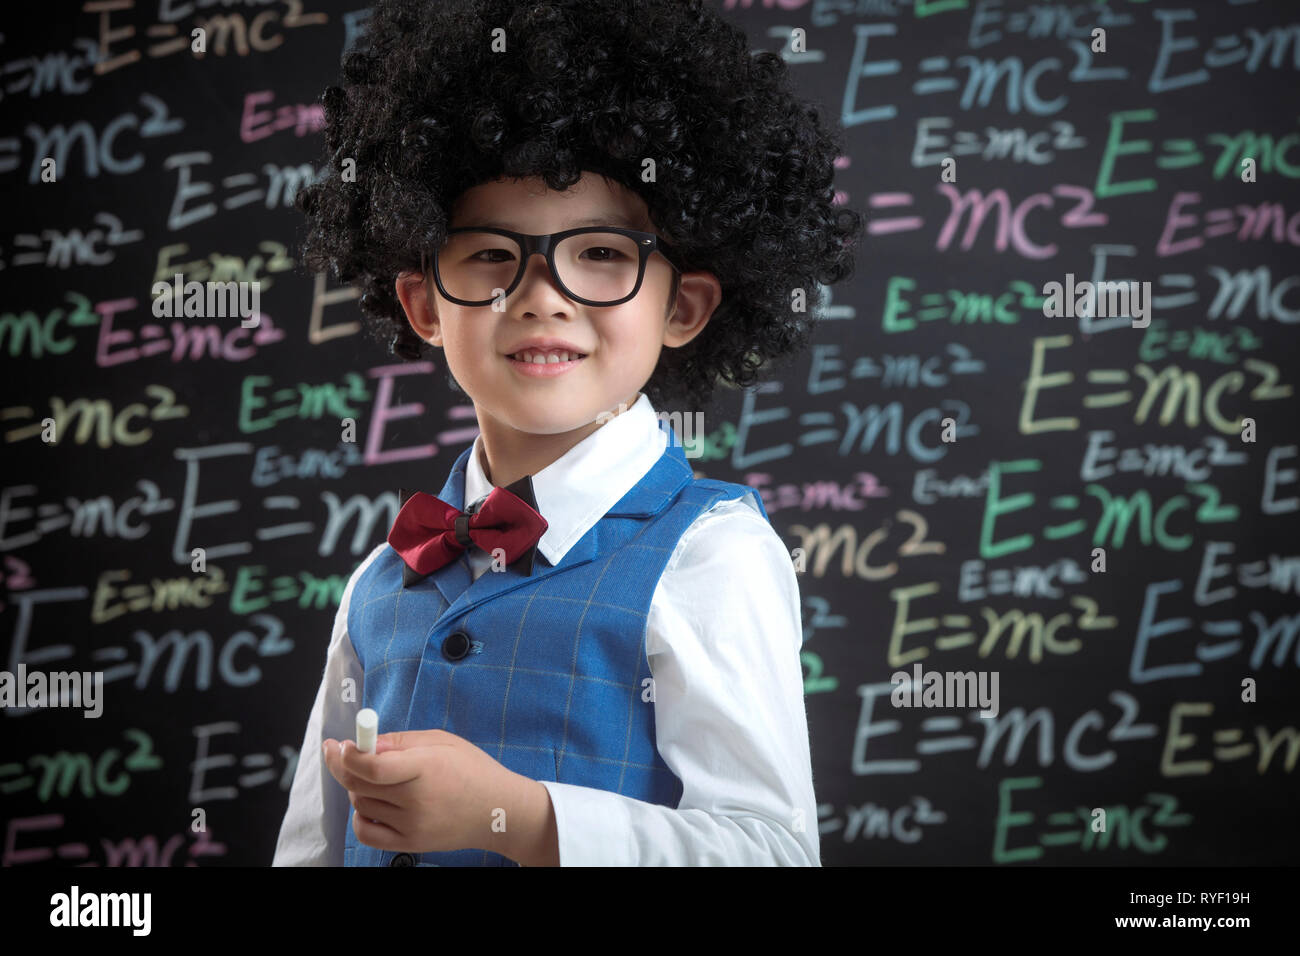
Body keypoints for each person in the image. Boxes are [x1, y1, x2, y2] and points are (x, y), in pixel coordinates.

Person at [273, 0, 862, 866]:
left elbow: (771, 851)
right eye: (488, 255)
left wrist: (522, 817)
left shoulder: (712, 557)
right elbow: (311, 848)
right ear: (426, 306)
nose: (542, 294)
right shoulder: (378, 577)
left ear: (684, 307)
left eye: (601, 254)